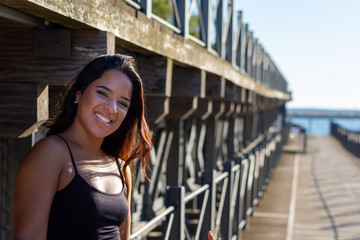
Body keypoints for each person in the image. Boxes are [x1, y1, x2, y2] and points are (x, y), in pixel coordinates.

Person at [13, 54, 152, 240]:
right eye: (102, 93)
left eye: (122, 103)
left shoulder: (121, 167)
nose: (112, 108)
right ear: (79, 93)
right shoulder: (51, 154)